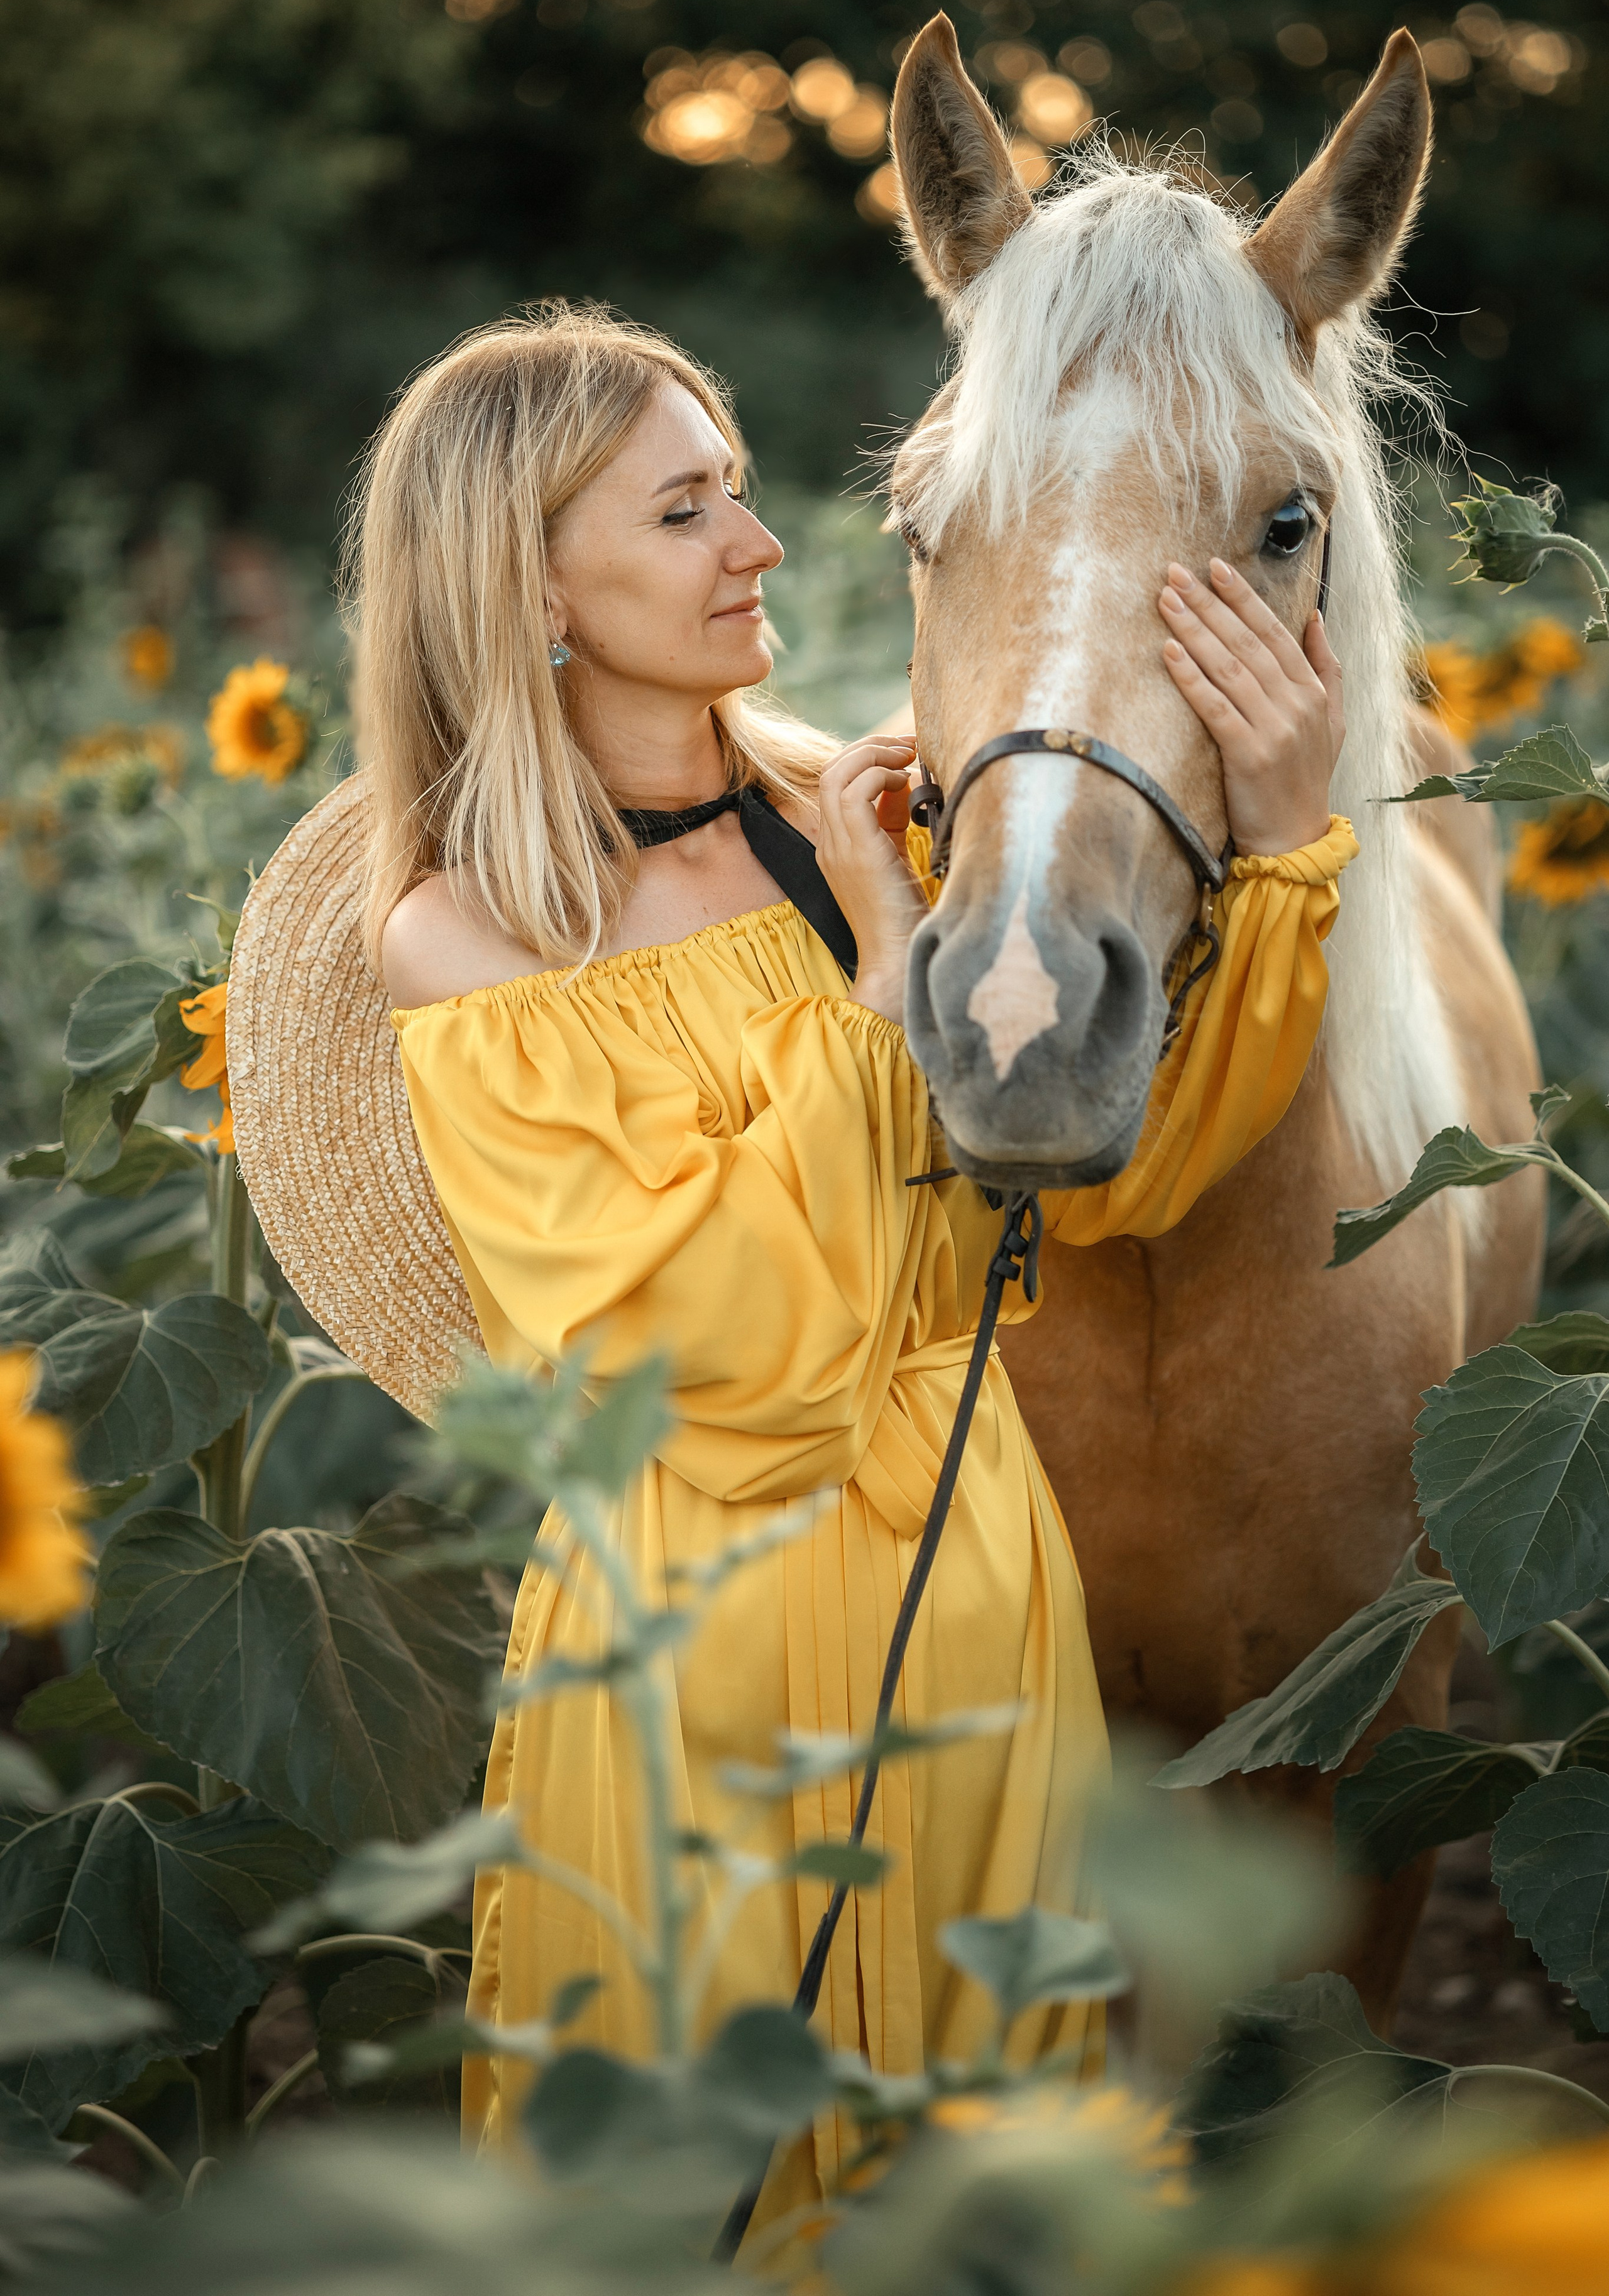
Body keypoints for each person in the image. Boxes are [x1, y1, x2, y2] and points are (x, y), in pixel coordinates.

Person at [358, 304, 1353, 2222]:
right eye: (682, 512)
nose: (757, 544)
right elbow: (693, 1343)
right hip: (695, 1641)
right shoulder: (467, 937)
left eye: (734, 490)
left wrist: (1291, 839)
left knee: (978, 2173)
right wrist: (889, 978)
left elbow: (1116, 1182)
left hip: (979, 1588)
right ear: (530, 585)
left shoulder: (871, 824)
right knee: (690, 2182)